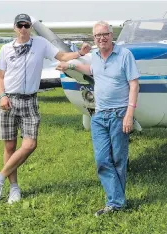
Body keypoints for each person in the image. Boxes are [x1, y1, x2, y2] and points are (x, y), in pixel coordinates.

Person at [0, 13, 91, 204]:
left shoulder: (41, 43)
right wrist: (2, 96)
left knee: (30, 145)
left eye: (26, 25)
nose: (23, 29)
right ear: (14, 28)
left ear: (30, 28)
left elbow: (61, 55)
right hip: (8, 100)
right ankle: (14, 188)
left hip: (30, 100)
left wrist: (80, 54)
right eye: (20, 25)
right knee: (9, 146)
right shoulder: (5, 49)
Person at [56, 21, 139, 216]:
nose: (101, 38)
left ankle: (115, 203)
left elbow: (134, 85)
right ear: (94, 38)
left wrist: (129, 114)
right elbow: (90, 70)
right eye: (97, 36)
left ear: (112, 35)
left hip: (119, 113)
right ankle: (117, 202)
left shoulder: (125, 55)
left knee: (119, 159)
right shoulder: (94, 55)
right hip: (99, 114)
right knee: (102, 159)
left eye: (105, 34)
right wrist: (69, 64)